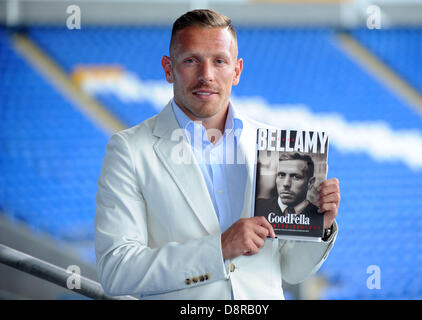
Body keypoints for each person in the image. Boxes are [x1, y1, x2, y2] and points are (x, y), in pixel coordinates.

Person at [95, 9, 340, 300]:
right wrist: (220, 247)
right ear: (168, 68)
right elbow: (117, 271)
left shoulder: (274, 145)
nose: (206, 75)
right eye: (191, 60)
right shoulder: (130, 150)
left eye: (219, 61)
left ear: (236, 71)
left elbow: (289, 271)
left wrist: (319, 227)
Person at [255, 152, 319, 219]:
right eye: (281, 175)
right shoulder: (257, 207)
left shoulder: (319, 216)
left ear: (310, 183)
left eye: (295, 177)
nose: (286, 184)